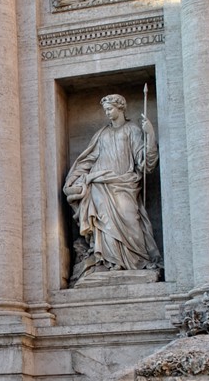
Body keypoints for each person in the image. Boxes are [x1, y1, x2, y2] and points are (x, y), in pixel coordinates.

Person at [63, 94, 160, 278]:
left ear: (120, 108)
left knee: (131, 221)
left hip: (125, 184)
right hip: (100, 185)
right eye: (105, 110)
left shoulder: (132, 130)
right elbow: (88, 160)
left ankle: (135, 260)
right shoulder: (102, 134)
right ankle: (110, 262)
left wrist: (150, 134)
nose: (107, 113)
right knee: (105, 224)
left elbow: (145, 162)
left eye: (110, 109)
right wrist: (74, 178)